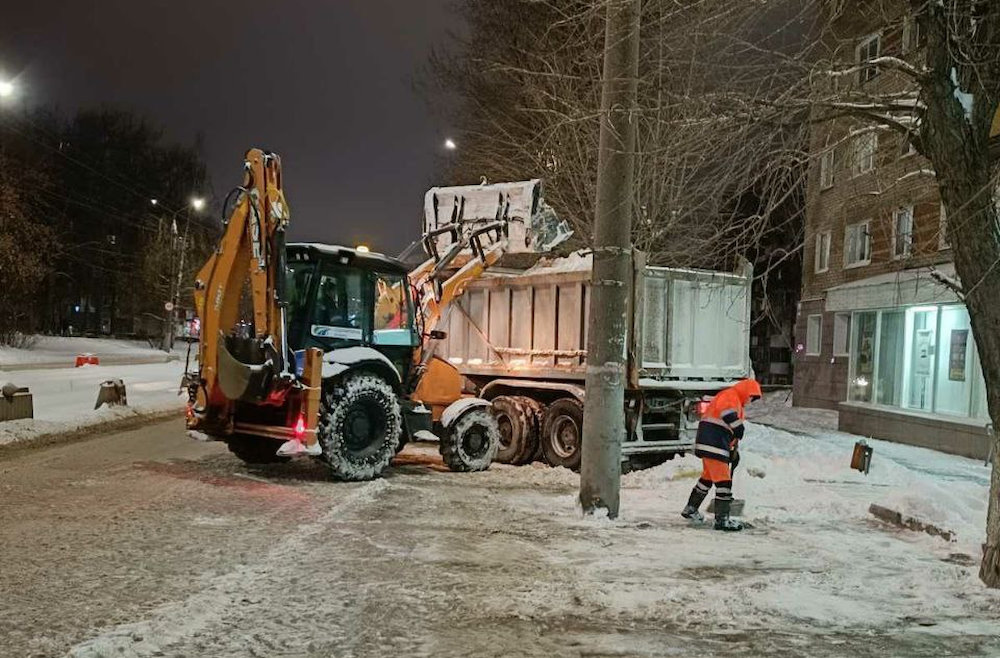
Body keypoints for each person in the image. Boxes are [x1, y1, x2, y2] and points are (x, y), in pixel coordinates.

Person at [681, 378, 762, 531]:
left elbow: (728, 429)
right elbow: (728, 415)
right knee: (724, 482)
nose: (751, 401)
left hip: (712, 443)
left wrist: (732, 452)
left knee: (708, 477)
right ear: (746, 391)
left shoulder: (735, 400)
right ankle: (722, 520)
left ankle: (691, 508)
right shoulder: (731, 395)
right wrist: (739, 427)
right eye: (751, 396)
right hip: (714, 443)